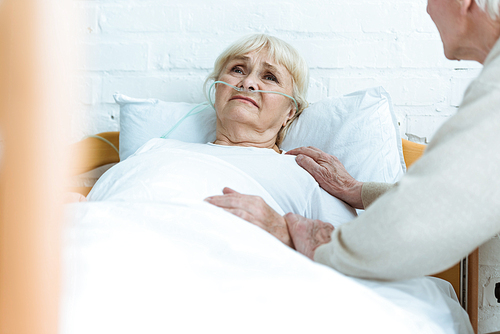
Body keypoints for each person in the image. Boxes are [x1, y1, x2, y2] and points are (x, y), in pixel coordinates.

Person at [206, 0, 500, 280]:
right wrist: (357, 190)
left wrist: (306, 237)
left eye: (269, 77)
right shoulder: (160, 148)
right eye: (237, 70)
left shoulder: (300, 174)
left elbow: (434, 212)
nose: (426, 8)